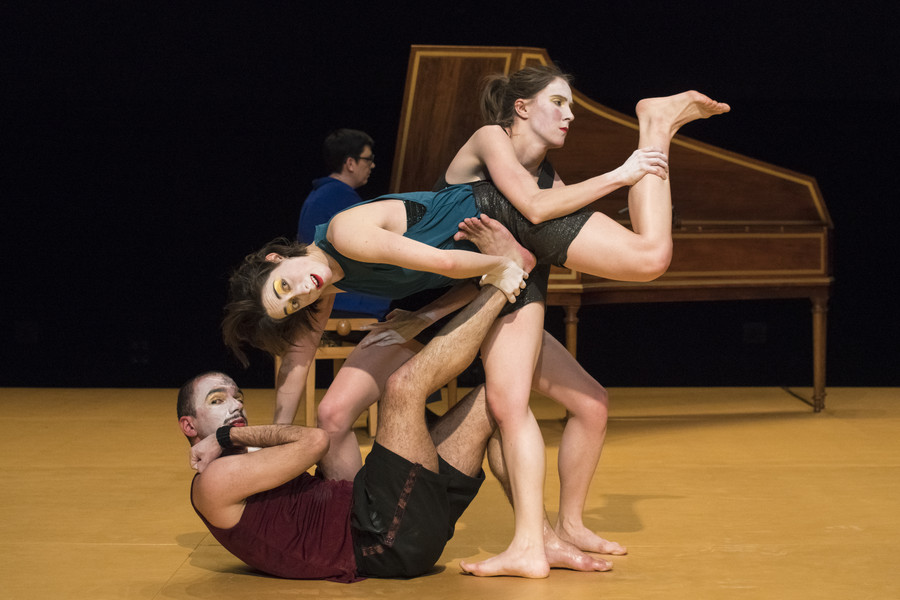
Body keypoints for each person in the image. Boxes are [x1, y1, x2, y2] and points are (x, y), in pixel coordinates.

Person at [223, 65, 729, 577]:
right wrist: (270, 446)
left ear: (276, 259)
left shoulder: (347, 234)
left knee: (578, 359)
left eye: (285, 287)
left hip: (478, 267)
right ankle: (364, 525)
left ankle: (545, 535)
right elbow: (298, 361)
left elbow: (479, 243)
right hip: (457, 290)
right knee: (342, 413)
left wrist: (514, 259)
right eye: (290, 304)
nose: (299, 294)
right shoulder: (318, 285)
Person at [184, 234, 609, 580]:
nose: (234, 405)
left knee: (497, 399)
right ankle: (509, 277)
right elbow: (314, 442)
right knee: (404, 387)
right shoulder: (212, 481)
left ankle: (541, 536)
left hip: (397, 522)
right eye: (217, 401)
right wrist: (226, 436)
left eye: (235, 395)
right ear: (190, 426)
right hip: (380, 539)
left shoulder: (241, 465)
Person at [298, 128, 390, 319]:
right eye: (368, 159)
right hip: (340, 300)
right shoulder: (338, 196)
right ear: (350, 163)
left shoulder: (322, 192)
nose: (372, 165)